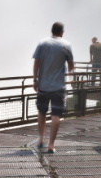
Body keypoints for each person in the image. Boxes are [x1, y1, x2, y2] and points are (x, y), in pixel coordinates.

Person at [32, 21, 74, 153]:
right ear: (62, 32)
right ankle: (51, 145)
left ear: (52, 31)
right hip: (58, 87)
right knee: (56, 115)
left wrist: (35, 80)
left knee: (42, 112)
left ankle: (40, 140)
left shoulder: (42, 43)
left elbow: (36, 63)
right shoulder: (66, 45)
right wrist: (68, 73)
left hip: (43, 85)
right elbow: (71, 65)